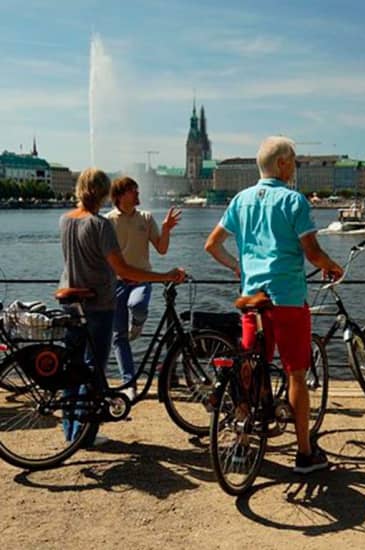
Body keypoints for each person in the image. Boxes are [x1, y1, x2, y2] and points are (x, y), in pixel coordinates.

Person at [204, 136, 344, 474]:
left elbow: (212, 245)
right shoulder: (294, 201)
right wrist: (332, 266)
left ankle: (241, 447)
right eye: (293, 159)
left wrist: (239, 267)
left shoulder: (241, 200)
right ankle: (305, 454)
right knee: (297, 374)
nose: (294, 165)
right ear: (281, 163)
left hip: (253, 300)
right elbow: (311, 251)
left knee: (249, 370)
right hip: (288, 300)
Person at [59, 168, 185, 446]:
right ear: (104, 193)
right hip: (98, 302)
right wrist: (165, 276)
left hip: (70, 301)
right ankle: (85, 435)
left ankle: (69, 431)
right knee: (94, 370)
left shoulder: (65, 220)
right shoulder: (101, 224)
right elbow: (124, 269)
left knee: (73, 367)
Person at [106, 177, 182, 400]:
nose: (138, 194)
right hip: (116, 283)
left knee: (137, 305)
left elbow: (161, 249)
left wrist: (166, 229)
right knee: (119, 337)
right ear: (120, 195)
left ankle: (137, 324)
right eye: (133, 191)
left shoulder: (146, 218)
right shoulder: (108, 221)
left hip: (141, 280)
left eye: (138, 190)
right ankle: (129, 382)